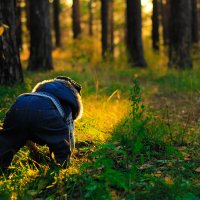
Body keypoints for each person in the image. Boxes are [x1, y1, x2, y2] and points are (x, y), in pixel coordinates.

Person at [0, 76, 83, 172]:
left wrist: (34, 151)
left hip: (19, 105)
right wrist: (70, 151)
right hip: (46, 113)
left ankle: (2, 167)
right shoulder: (69, 101)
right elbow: (69, 133)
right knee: (60, 142)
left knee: (8, 140)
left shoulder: (39, 91)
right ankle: (62, 169)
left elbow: (29, 122)